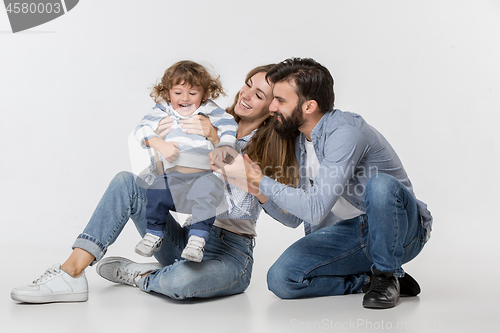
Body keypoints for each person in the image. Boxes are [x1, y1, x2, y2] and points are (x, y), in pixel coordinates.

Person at [10, 63, 297, 303]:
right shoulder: (205, 118)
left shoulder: (273, 148)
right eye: (247, 84)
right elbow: (165, 177)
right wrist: (160, 144)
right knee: (127, 182)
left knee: (181, 282)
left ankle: (142, 274)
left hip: (231, 252)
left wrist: (232, 159)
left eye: (258, 94)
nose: (245, 94)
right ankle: (71, 273)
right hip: (187, 239)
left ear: (273, 107)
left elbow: (289, 218)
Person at [210, 57, 433, 309]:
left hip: (401, 230)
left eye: (280, 100)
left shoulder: (345, 132)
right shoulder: (296, 139)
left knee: (380, 185)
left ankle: (387, 275)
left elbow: (315, 209)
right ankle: (365, 280)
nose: (272, 107)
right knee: (282, 279)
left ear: (309, 106)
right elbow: (294, 219)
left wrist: (259, 179)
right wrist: (257, 189)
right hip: (352, 234)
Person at [133, 60, 238, 262]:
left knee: (205, 194)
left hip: (204, 173)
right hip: (173, 175)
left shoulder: (209, 110)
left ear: (205, 94)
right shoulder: (162, 110)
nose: (185, 98)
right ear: (167, 93)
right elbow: (142, 129)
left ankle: (197, 240)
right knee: (156, 188)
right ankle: (154, 234)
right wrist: (160, 144)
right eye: (178, 92)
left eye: (193, 93)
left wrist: (224, 145)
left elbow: (228, 124)